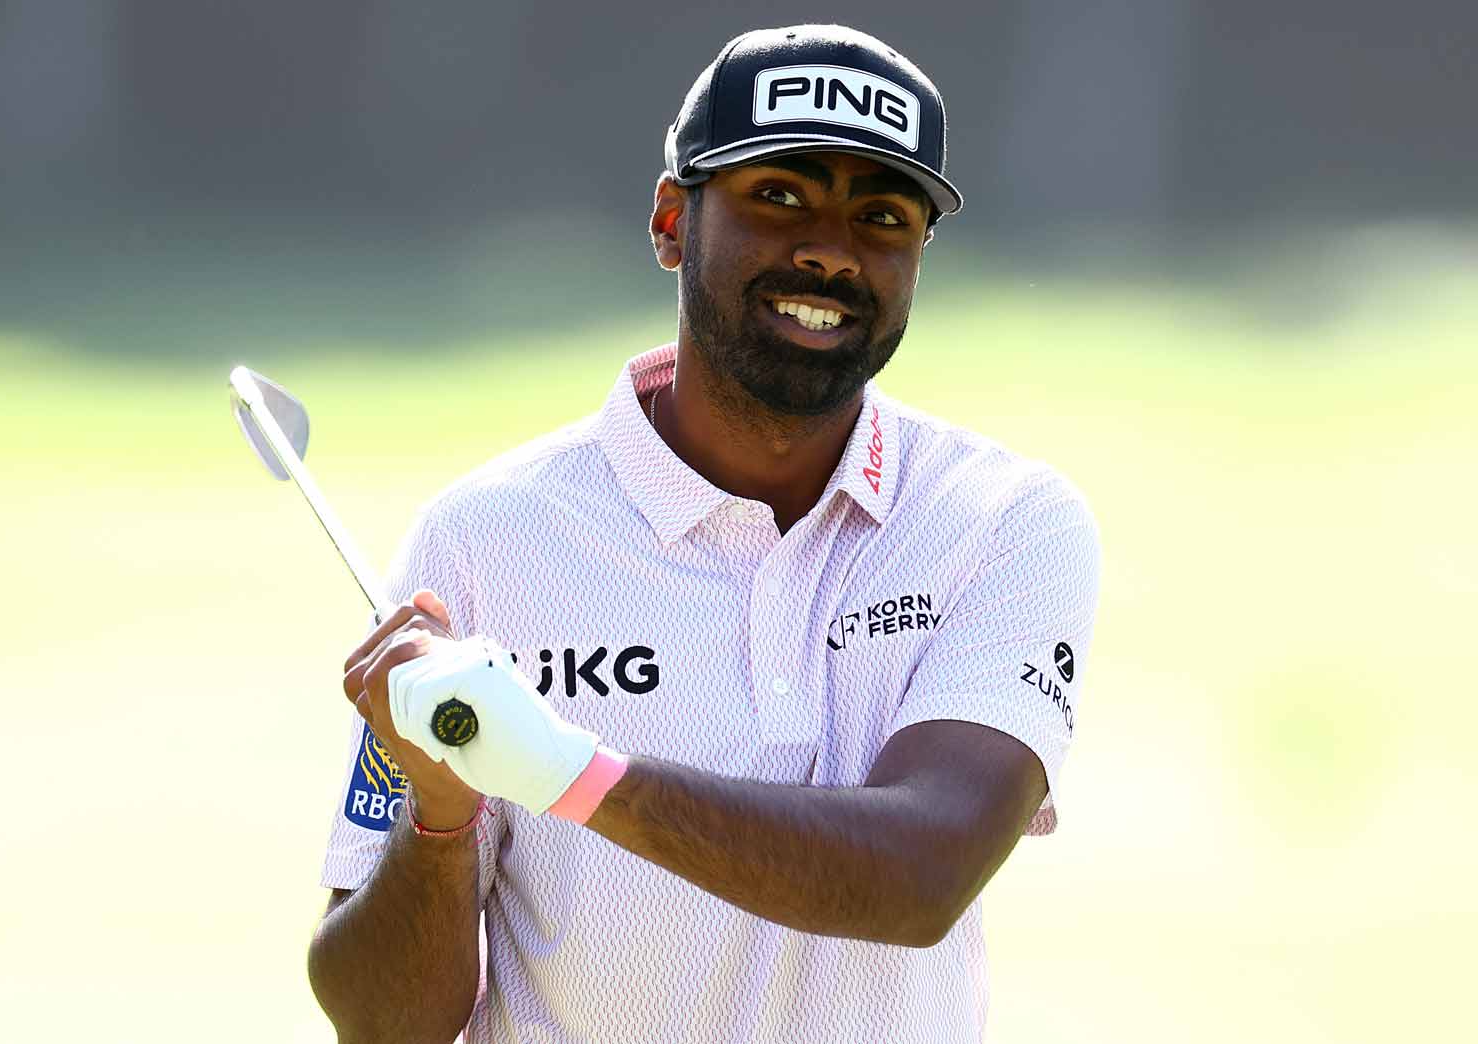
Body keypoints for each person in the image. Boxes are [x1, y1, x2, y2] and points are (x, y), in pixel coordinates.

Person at [307, 23, 1100, 1044]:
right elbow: (382, 1026)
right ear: (671, 222)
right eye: (779, 198)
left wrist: (560, 768)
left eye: (882, 216)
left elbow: (923, 871)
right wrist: (441, 812)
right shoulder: (481, 539)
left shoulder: (999, 521)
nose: (829, 249)